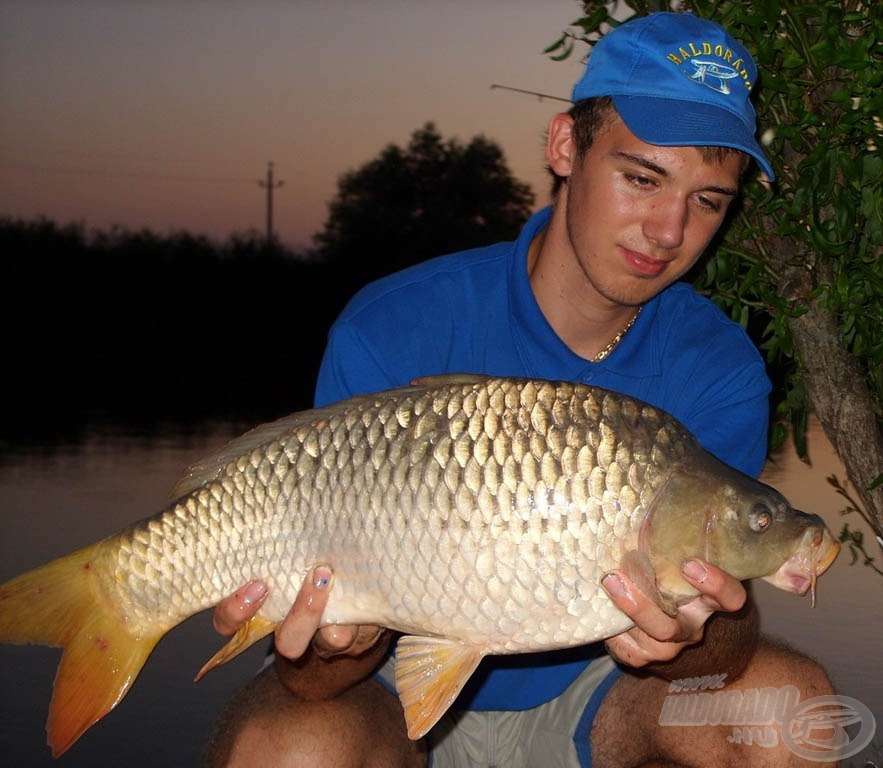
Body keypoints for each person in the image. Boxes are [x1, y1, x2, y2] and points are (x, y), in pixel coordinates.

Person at [203, 12, 835, 768]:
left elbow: (721, 651)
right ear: (565, 146)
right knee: (288, 746)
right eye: (641, 178)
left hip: (599, 696)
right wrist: (344, 638)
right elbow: (314, 679)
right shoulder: (391, 327)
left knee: (791, 714)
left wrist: (691, 633)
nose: (668, 229)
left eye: (708, 200)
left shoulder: (718, 367)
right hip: (387, 699)